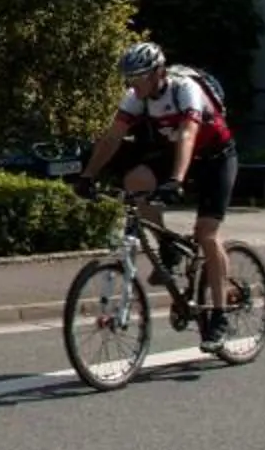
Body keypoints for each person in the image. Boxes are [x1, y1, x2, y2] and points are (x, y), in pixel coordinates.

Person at [83, 42, 240, 351]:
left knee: (206, 234)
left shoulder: (185, 89)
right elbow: (112, 136)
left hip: (215, 157)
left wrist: (175, 181)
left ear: (158, 73)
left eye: (138, 77)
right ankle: (168, 247)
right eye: (128, 78)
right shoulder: (136, 97)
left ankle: (219, 317)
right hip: (175, 154)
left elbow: (187, 134)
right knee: (135, 181)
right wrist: (87, 176)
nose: (133, 84)